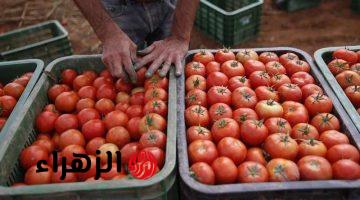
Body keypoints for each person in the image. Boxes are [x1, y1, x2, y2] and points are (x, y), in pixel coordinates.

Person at [74, 0, 200, 83]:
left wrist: (179, 37)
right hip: (116, 5)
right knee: (123, 74)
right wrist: (108, 33)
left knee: (171, 67)